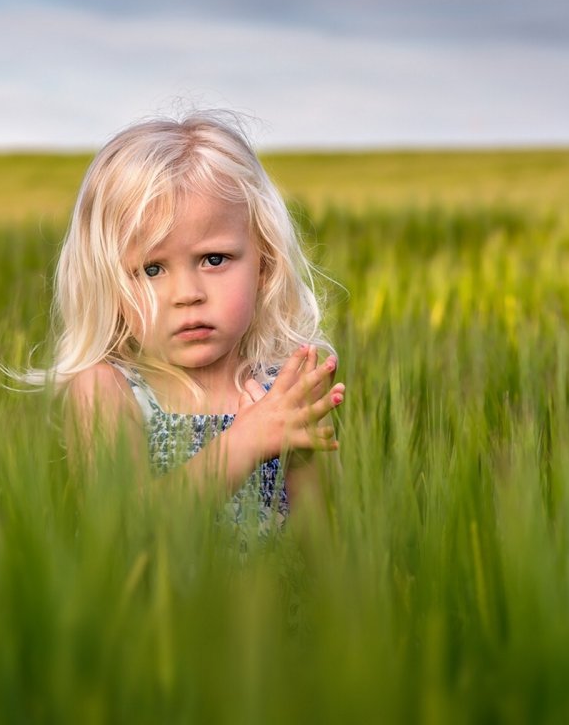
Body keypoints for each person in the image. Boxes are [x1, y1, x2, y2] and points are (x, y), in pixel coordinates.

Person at [18, 111, 345, 525]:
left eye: (214, 259)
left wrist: (298, 454)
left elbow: (330, 549)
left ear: (264, 265)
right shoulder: (106, 390)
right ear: (109, 285)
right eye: (152, 269)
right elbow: (122, 530)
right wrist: (245, 441)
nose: (188, 294)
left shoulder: (277, 390)